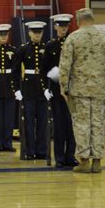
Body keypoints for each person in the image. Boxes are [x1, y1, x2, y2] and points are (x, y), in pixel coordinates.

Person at [59, 8, 105, 173]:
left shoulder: (73, 38)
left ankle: (84, 161)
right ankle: (97, 161)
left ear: (78, 21)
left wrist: (64, 87)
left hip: (79, 90)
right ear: (92, 19)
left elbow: (65, 66)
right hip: (100, 89)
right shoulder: (104, 38)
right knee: (98, 124)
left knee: (81, 125)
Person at [42, 14, 78, 169]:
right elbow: (44, 69)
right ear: (56, 26)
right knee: (59, 125)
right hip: (57, 91)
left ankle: (71, 155)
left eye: (66, 25)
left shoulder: (74, 43)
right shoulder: (51, 46)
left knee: (72, 125)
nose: (63, 28)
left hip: (73, 90)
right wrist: (46, 87)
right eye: (61, 25)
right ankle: (59, 157)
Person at [12, 21, 52, 160]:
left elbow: (50, 70)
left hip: (42, 90)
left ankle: (41, 150)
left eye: (39, 32)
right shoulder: (23, 49)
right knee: (28, 121)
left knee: (42, 121)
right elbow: (15, 70)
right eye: (34, 32)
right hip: (28, 89)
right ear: (29, 33)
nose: (37, 35)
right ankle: (29, 150)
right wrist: (17, 89)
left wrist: (49, 88)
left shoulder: (47, 48)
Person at [0, 24, 17, 152]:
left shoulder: (13, 50)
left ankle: (8, 143)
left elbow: (17, 70)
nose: (3, 37)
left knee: (9, 117)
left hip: (9, 86)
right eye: (1, 34)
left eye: (5, 34)